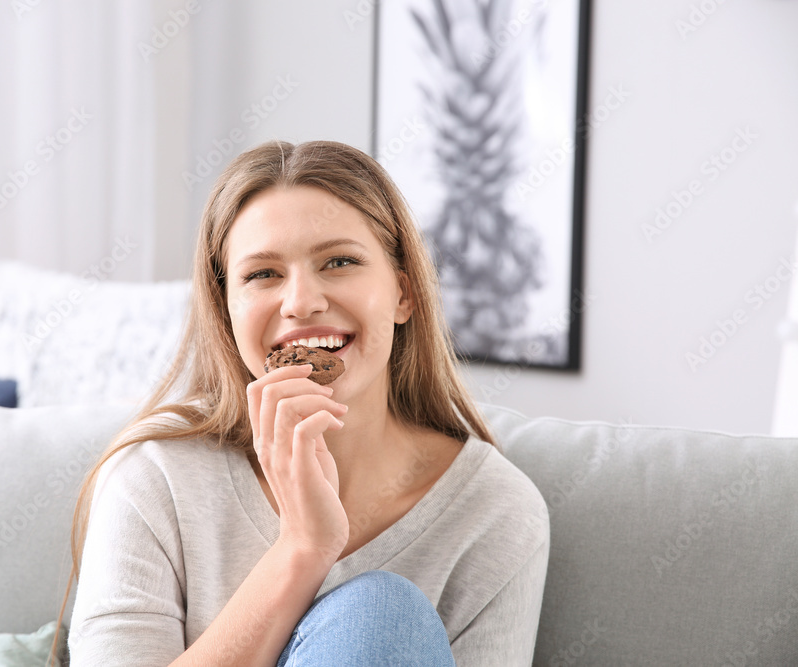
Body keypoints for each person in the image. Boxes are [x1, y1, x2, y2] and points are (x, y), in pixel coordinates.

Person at [52, 140, 550, 666]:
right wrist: (303, 547)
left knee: (382, 615)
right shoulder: (154, 480)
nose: (302, 302)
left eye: (339, 262)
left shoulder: (496, 511)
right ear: (226, 312)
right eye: (263, 274)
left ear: (404, 294)